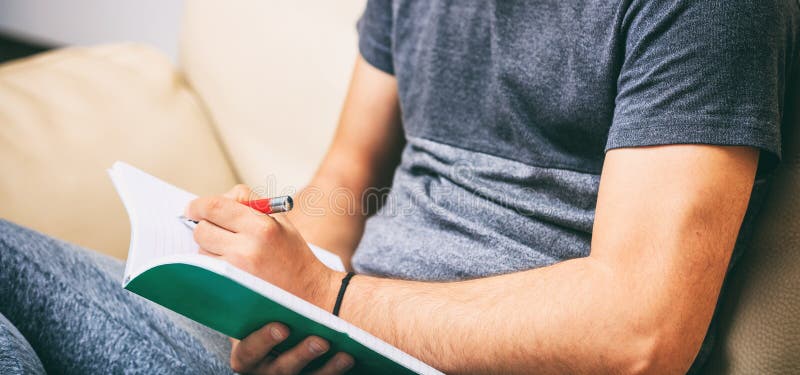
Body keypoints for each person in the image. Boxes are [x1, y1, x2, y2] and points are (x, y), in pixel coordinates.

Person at [2, 0, 799, 374]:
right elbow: (348, 179)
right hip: (335, 338)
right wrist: (271, 282)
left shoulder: (713, 10)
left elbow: (642, 330)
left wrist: (329, 296)